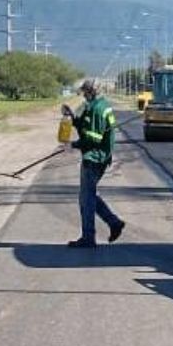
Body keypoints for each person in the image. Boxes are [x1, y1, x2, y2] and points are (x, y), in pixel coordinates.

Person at [62, 80, 125, 248]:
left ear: (92, 92)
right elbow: (86, 126)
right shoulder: (98, 106)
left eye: (85, 92)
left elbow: (93, 138)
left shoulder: (98, 109)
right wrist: (73, 118)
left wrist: (73, 145)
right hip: (98, 157)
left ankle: (89, 238)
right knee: (88, 196)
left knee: (86, 199)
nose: (84, 95)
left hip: (95, 158)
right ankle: (114, 223)